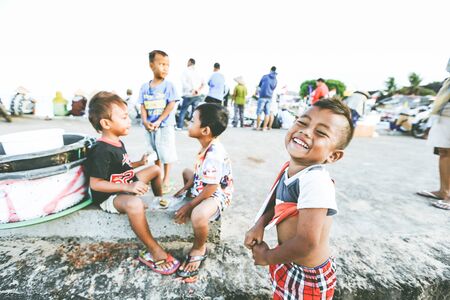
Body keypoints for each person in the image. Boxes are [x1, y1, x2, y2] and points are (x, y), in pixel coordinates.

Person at [244, 98, 355, 299]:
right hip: (289, 258)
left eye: (320, 133)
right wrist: (259, 224)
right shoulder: (292, 168)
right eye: (302, 123)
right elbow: (277, 199)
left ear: (333, 156)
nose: (305, 131)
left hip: (308, 276)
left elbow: (307, 243)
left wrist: (267, 257)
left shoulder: (316, 181)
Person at [84, 91, 180, 275]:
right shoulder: (101, 150)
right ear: (106, 123)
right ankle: (153, 250)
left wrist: (139, 164)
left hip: (124, 184)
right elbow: (96, 184)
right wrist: (128, 187)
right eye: (124, 117)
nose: (129, 120)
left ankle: (158, 201)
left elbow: (122, 166)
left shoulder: (117, 142)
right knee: (135, 203)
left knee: (155, 169)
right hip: (109, 196)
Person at [173, 103, 233, 282]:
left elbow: (212, 188)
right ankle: (193, 197)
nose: (188, 123)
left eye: (192, 121)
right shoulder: (206, 145)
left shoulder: (214, 154)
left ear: (205, 130)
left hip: (217, 193)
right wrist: (187, 187)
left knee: (198, 215)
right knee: (186, 172)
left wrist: (190, 205)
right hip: (205, 185)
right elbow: (198, 171)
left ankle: (199, 248)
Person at [139, 50, 178, 194]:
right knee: (155, 151)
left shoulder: (169, 86)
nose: (165, 68)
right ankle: (158, 175)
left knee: (167, 151)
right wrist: (144, 121)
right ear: (151, 65)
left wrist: (160, 120)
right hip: (150, 126)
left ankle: (166, 179)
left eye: (167, 65)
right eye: (161, 64)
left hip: (165, 125)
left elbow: (171, 104)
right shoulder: (145, 87)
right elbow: (142, 105)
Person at [417, 58, 450, 209]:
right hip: (444, 116)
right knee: (444, 153)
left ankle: (448, 195)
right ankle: (444, 191)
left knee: (447, 154)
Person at [177, 58, 205, 130]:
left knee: (183, 110)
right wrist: (197, 90)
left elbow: (184, 82)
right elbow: (203, 84)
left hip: (188, 94)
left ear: (190, 62)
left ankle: (179, 126)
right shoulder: (199, 71)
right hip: (197, 95)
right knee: (195, 112)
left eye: (187, 62)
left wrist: (192, 90)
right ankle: (194, 127)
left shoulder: (185, 71)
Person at [255, 66, 278, 131]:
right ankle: (264, 127)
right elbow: (273, 88)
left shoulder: (265, 77)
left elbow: (259, 86)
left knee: (259, 112)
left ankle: (257, 127)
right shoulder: (275, 80)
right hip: (269, 97)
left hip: (262, 96)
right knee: (267, 113)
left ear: (270, 70)